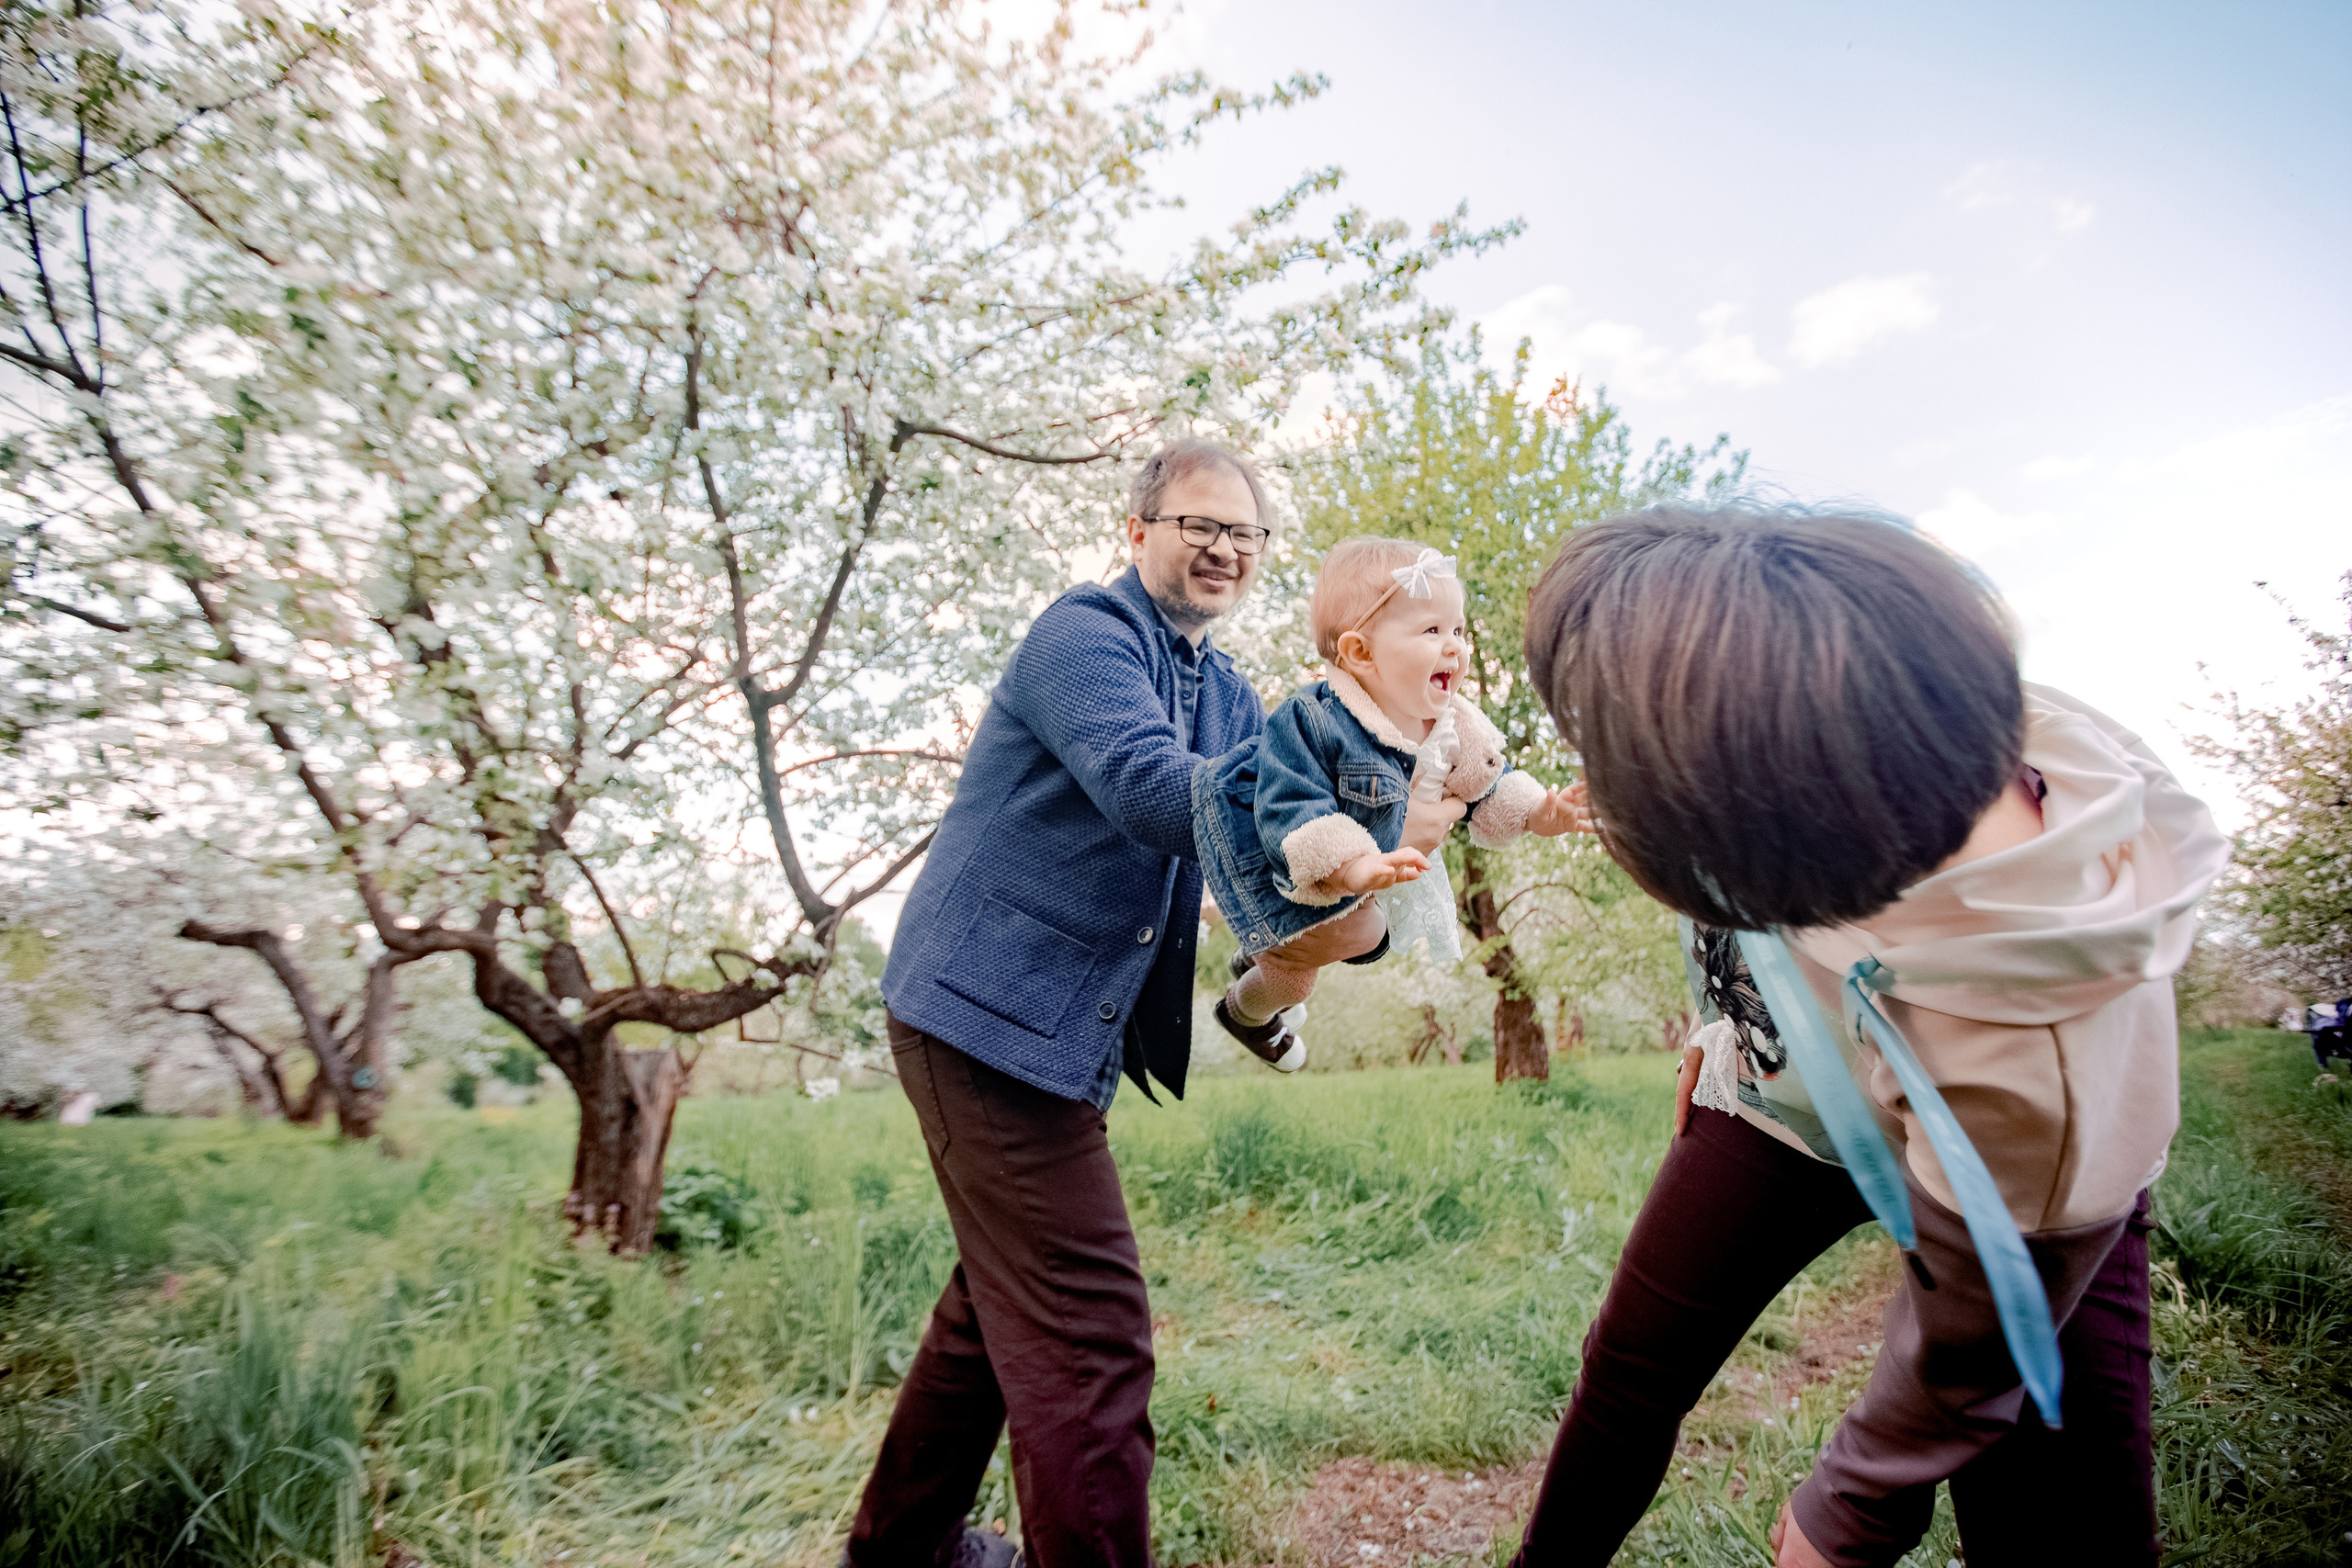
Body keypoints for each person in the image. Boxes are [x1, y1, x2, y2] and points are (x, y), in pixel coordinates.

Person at [1512, 504, 2229, 1568]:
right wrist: (1725, 1030)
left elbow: (1973, 1343)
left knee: (2058, 1518)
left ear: (1770, 818)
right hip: (1789, 1112)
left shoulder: (2043, 1058)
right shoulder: (1829, 736)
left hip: (2010, 1206)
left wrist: (1855, 1503)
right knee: (1630, 1371)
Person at [854, 442, 1462, 1568]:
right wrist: (1318, 813)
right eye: (1200, 526)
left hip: (1056, 1032)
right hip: (981, 1014)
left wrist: (1374, 852)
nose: (1225, 548)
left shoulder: (1229, 692)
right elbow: (1150, 788)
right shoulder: (1081, 636)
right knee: (1090, 1337)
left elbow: (1260, 870)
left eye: (1246, 534)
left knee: (996, 1309)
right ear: (1137, 534)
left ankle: (901, 1550)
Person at [1200, 536, 1581, 1068]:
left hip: (1375, 871)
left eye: (1458, 629)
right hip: (1286, 873)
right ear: (1360, 652)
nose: (1455, 646)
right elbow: (1293, 808)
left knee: (1363, 936)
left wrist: (1543, 813)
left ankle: (1259, 964)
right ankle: (1245, 1011)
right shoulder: (1313, 720)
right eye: (1432, 630)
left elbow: (1489, 783)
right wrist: (1352, 865)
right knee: (1302, 976)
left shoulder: (1455, 722)